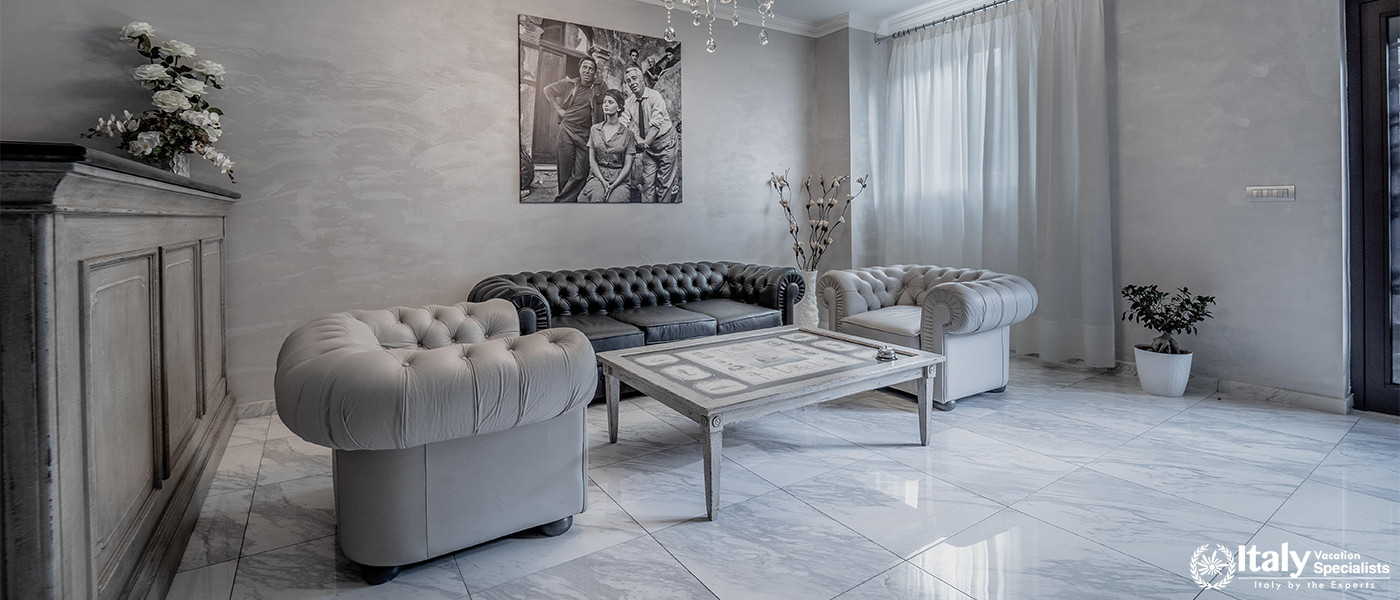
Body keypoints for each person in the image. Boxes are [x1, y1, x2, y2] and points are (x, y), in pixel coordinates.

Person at [542, 56, 604, 202]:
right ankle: (568, 204)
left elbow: (609, 100)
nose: (588, 71)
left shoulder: (599, 86)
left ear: (594, 72)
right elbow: (547, 90)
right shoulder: (568, 84)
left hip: (586, 133)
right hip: (567, 130)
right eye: (585, 67)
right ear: (580, 69)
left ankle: (561, 201)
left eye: (591, 68)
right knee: (564, 171)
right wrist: (558, 110)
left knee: (582, 171)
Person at [620, 65, 678, 203]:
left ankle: (662, 216)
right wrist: (636, 138)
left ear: (642, 80)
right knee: (647, 185)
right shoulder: (628, 103)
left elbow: (656, 125)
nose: (632, 83)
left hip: (666, 142)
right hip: (649, 147)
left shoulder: (655, 96)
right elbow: (623, 124)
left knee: (664, 185)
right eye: (628, 81)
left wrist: (643, 143)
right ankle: (647, 216)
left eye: (634, 78)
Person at [579, 89, 636, 203]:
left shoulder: (628, 134)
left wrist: (614, 185)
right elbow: (592, 161)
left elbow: (627, 165)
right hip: (597, 176)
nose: (606, 105)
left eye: (610, 102)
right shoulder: (595, 129)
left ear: (619, 107)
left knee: (615, 203)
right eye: (605, 102)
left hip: (620, 178)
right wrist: (603, 181)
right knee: (597, 198)